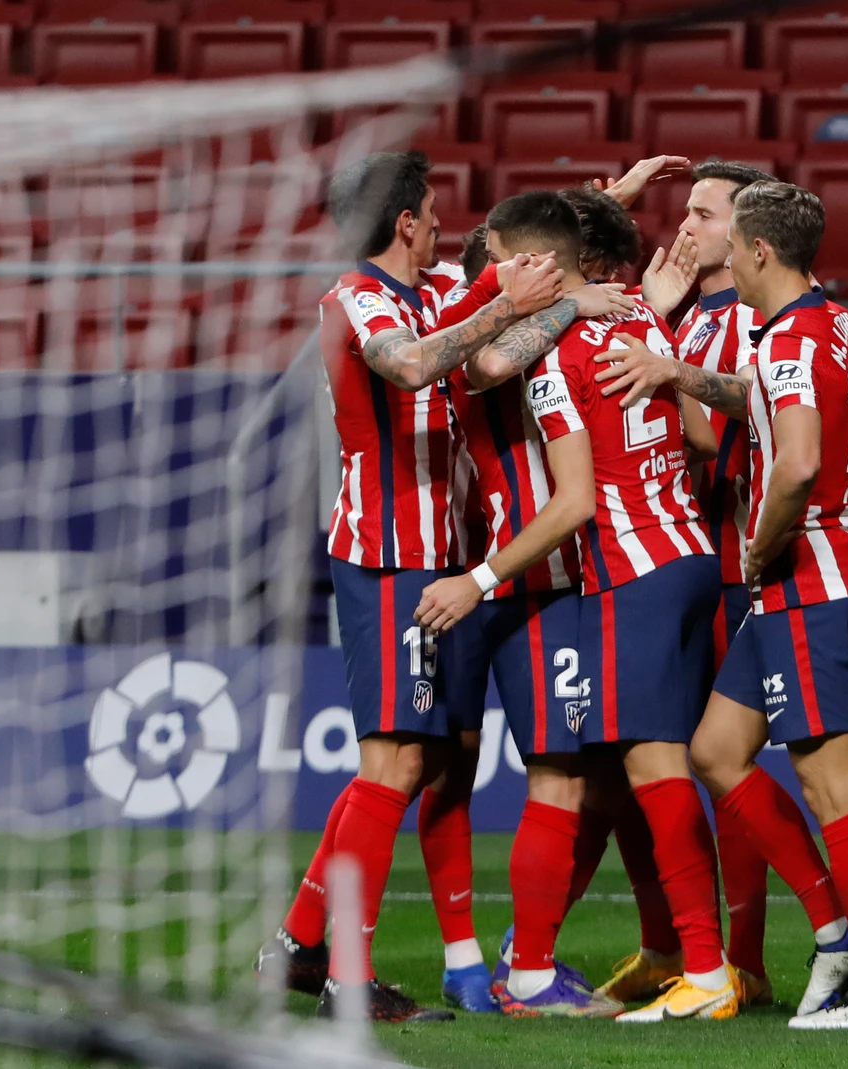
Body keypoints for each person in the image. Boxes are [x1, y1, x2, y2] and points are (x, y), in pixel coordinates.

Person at [254, 149, 604, 1023]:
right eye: (433, 209)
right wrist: (507, 306)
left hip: (432, 556)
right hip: (384, 556)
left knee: (419, 758)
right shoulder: (358, 299)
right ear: (405, 219)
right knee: (398, 759)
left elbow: (501, 274)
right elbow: (410, 368)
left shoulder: (433, 289)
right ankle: (343, 974)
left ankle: (298, 946)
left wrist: (576, 249)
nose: (446, 220)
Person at [418, 190, 738, 1024]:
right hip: (541, 581)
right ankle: (571, 959)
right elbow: (483, 361)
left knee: (591, 775)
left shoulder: (569, 341)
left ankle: (591, 962)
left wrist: (580, 288)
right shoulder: (548, 329)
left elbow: (575, 498)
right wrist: (586, 293)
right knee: (577, 775)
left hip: (582, 575)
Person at [617, 181, 848, 1029]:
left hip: (801, 583)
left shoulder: (786, 345)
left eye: (730, 241)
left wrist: (772, 535)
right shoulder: (840, 326)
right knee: (716, 749)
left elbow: (794, 461)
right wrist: (678, 369)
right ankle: (833, 934)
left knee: (835, 790)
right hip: (813, 573)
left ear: (758, 252)